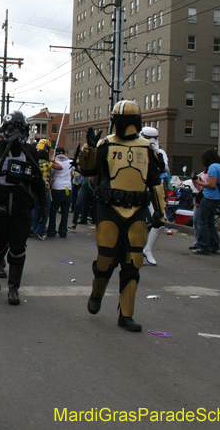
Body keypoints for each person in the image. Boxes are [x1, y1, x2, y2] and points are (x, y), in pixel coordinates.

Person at [79, 101, 165, 332]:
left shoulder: (147, 147)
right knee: (106, 260)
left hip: (137, 208)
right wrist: (89, 150)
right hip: (109, 207)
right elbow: (87, 170)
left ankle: (126, 315)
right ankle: (97, 294)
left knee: (133, 262)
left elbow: (155, 181)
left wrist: (160, 211)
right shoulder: (106, 144)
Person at [0, 111, 46, 305]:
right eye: (11, 129)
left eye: (20, 129)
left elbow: (39, 181)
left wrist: (43, 205)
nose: (15, 133)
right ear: (4, 130)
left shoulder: (30, 152)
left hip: (21, 206)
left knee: (18, 248)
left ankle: (14, 288)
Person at [140, 126, 169, 266]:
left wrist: (157, 155)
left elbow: (165, 170)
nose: (152, 141)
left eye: (154, 138)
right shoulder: (136, 150)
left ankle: (147, 249)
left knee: (159, 220)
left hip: (154, 189)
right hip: (138, 190)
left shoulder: (160, 152)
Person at [194, 149, 220, 256]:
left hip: (209, 197)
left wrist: (199, 182)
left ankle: (204, 246)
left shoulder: (213, 167)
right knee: (210, 223)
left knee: (202, 222)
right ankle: (215, 246)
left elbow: (212, 184)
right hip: (216, 197)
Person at [46, 147, 72, 238]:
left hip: (56, 188)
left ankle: (51, 230)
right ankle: (63, 231)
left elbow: (51, 174)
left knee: (53, 210)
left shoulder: (54, 163)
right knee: (65, 211)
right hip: (67, 188)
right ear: (65, 153)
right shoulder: (70, 162)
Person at [30, 139, 53, 240]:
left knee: (36, 210)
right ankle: (40, 230)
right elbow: (59, 167)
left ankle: (34, 229)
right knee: (45, 211)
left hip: (35, 189)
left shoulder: (35, 165)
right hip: (45, 189)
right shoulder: (48, 164)